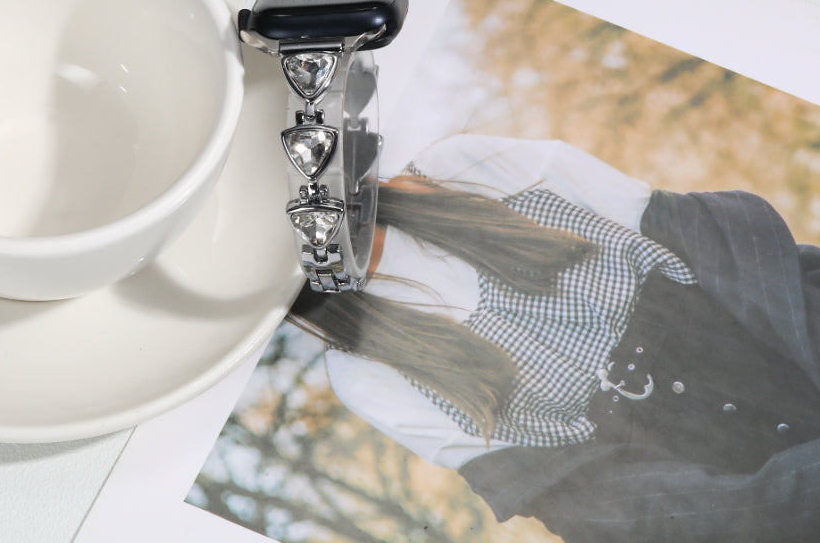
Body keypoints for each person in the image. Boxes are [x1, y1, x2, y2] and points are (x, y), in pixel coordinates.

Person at [291, 133, 820, 542]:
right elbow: (598, 500)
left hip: (792, 341)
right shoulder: (364, 373)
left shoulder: (460, 169)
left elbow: (716, 254)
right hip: (754, 504)